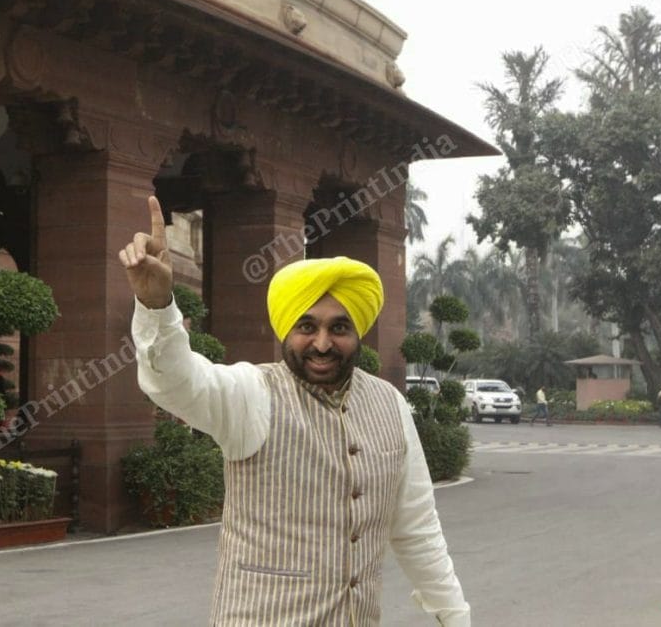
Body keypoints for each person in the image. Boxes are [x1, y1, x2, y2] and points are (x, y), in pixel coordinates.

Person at [119, 196, 470, 626]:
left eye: (338, 327)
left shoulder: (390, 404)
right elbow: (175, 381)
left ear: (357, 332)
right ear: (286, 329)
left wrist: (455, 617)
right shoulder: (252, 392)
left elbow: (417, 530)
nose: (322, 343)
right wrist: (157, 306)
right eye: (307, 326)